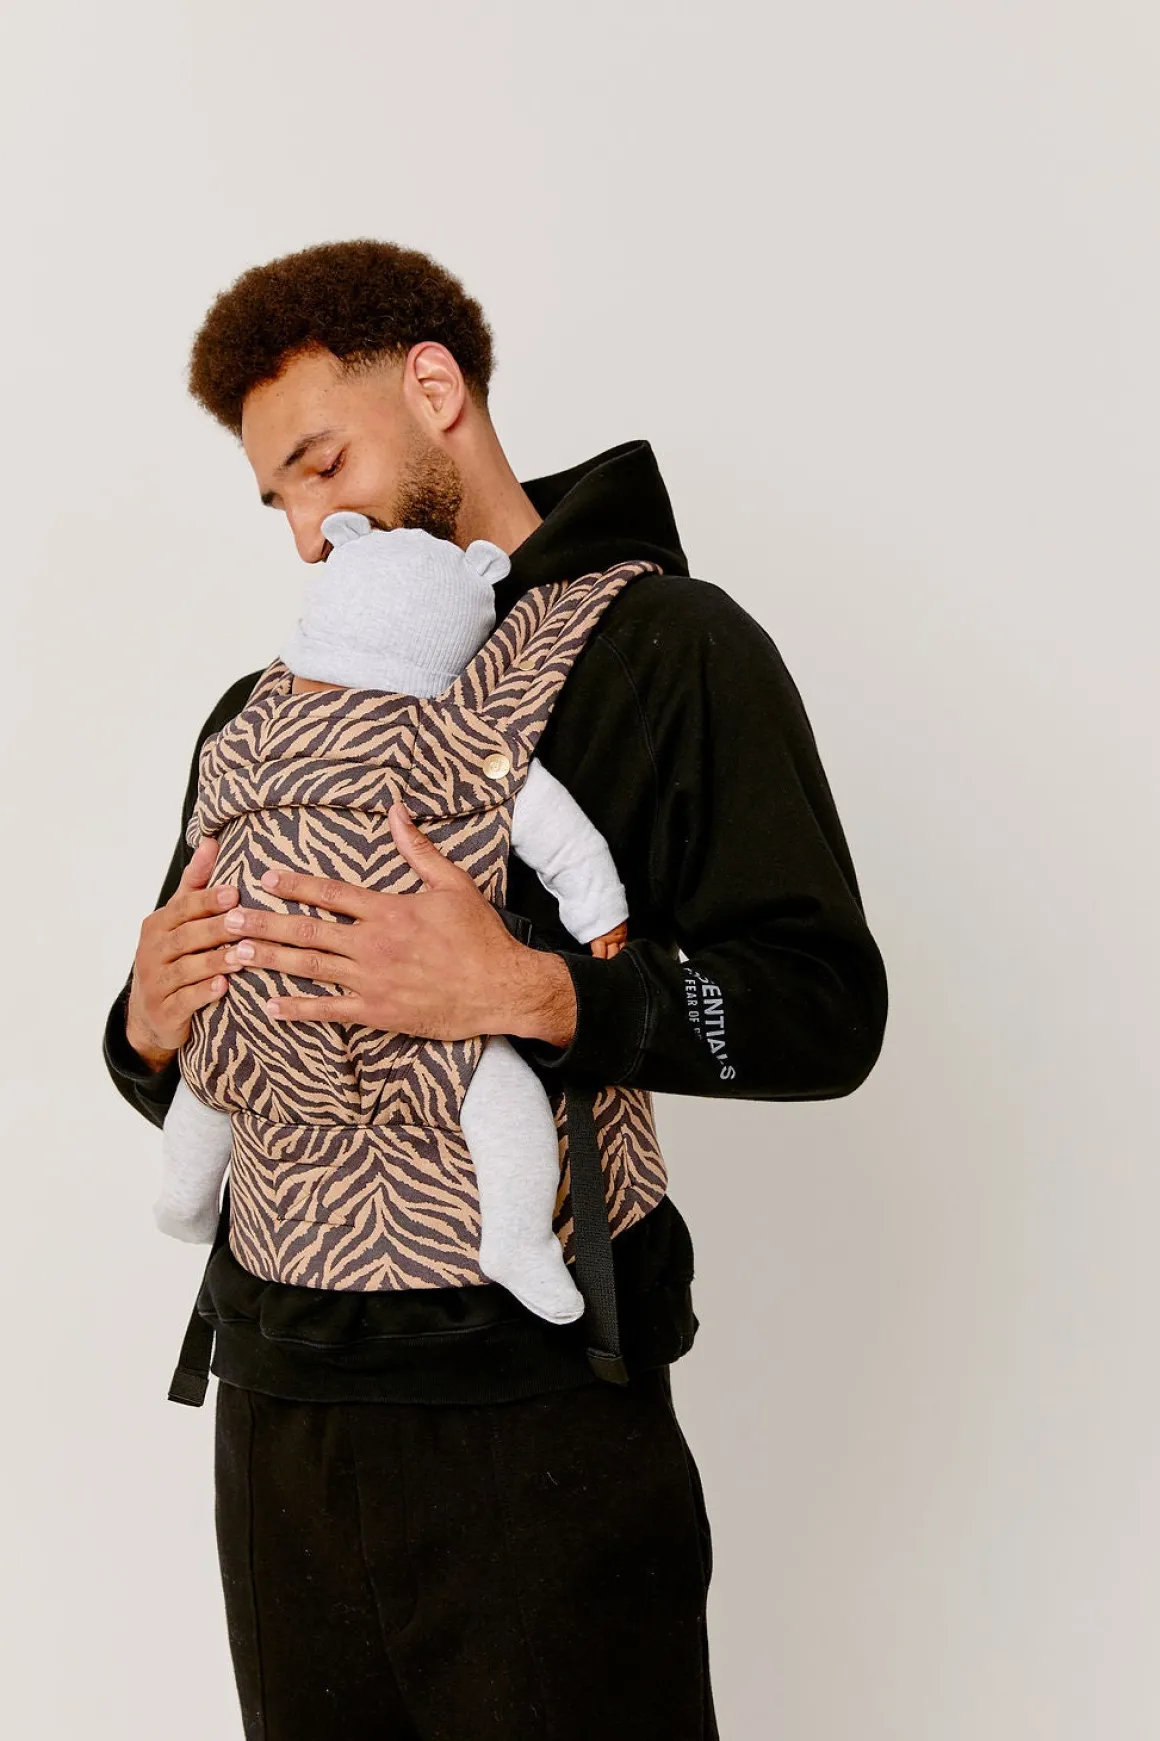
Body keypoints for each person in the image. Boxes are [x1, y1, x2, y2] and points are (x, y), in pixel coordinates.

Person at [103, 238, 889, 1741]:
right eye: (278, 501)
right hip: (278, 1409)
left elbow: (821, 1008)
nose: (309, 534)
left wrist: (538, 992)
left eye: (321, 464)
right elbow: (193, 1058)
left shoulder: (664, 649)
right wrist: (143, 1024)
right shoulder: (261, 713)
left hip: (535, 1412)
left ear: (435, 388)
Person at [154, 509, 632, 1327]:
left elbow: (206, 837)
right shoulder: (451, 736)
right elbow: (552, 827)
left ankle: (184, 1195)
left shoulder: (246, 730)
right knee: (502, 1092)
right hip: (404, 1032)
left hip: (250, 1005)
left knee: (211, 1083)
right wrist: (601, 914)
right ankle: (516, 1236)